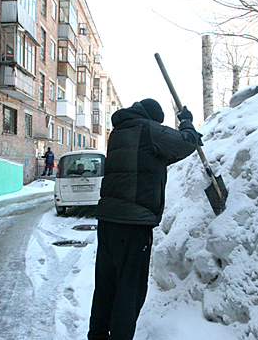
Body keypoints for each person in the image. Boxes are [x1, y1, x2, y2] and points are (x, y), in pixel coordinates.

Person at [88, 98, 201, 340]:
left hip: (108, 223)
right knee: (130, 292)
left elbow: (154, 158)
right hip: (133, 226)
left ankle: (96, 336)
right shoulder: (149, 129)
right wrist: (187, 123)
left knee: (106, 288)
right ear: (153, 118)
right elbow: (187, 143)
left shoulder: (119, 132)